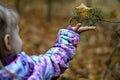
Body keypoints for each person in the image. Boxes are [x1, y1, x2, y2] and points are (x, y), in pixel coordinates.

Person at [0, 4, 96, 80]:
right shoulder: (27, 68)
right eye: (17, 33)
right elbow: (53, 62)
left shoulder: (25, 64)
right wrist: (69, 37)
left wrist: (70, 35)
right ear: (8, 43)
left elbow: (51, 61)